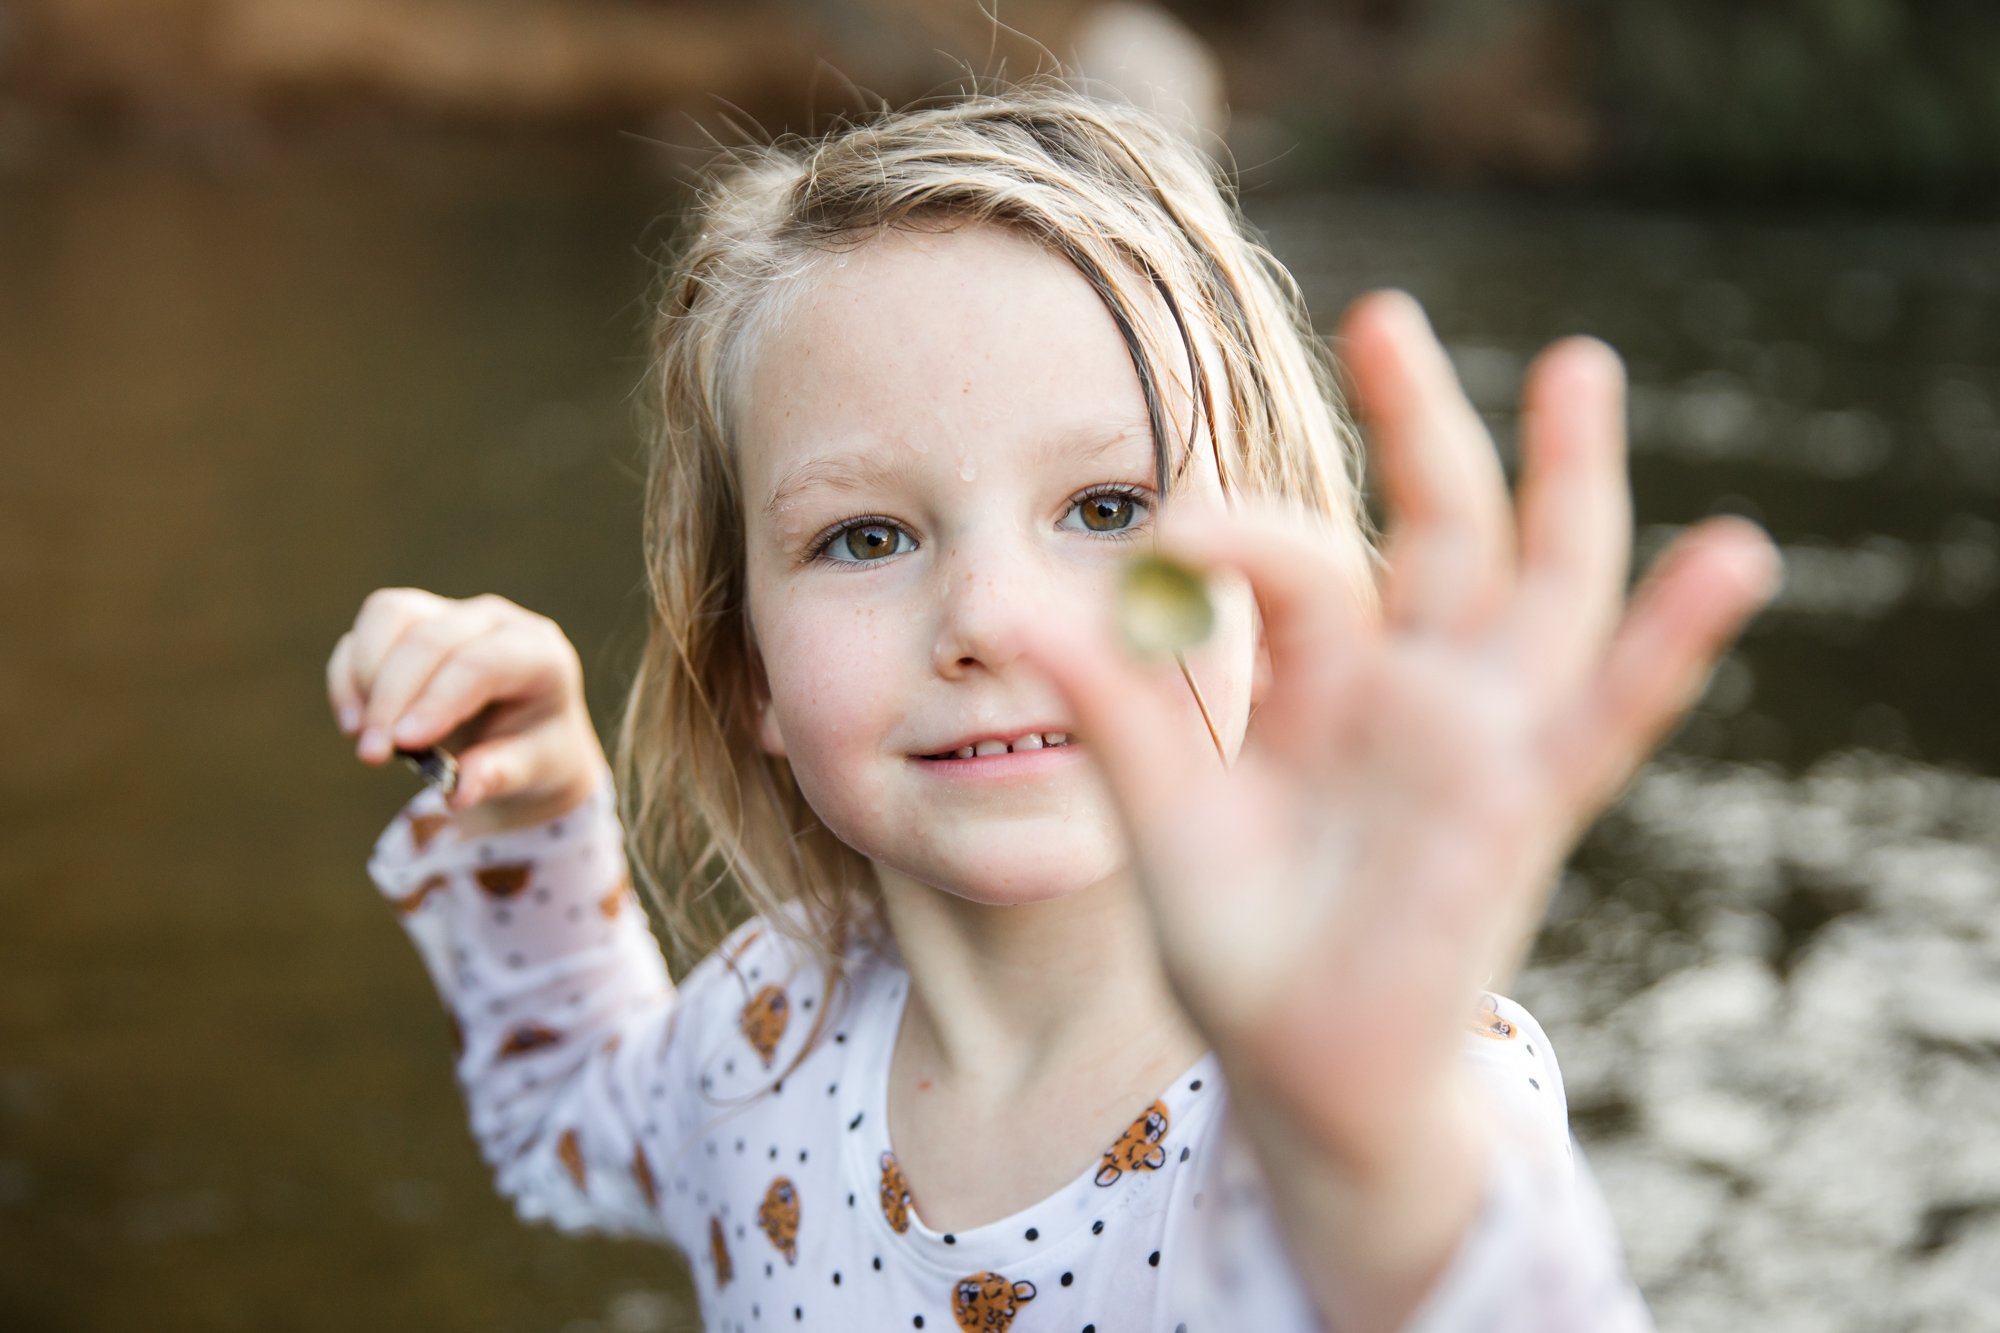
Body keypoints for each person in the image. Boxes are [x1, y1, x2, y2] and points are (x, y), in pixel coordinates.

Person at [325, 84, 1776, 1332]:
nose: (989, 619)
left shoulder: (1377, 1085)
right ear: (747, 666)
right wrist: (539, 809)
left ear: (1272, 603)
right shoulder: (768, 1023)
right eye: (866, 537)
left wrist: (1377, 1155)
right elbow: (564, 1113)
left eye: (1105, 506)